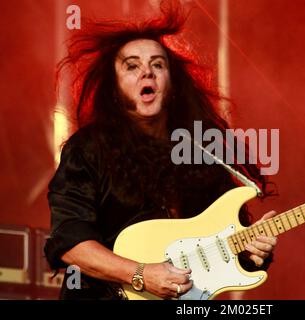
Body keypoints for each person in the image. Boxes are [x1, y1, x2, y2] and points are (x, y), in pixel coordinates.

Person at [44, 3, 277, 300]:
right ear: (113, 88)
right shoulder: (88, 149)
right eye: (132, 66)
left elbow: (220, 249)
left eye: (158, 64)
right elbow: (70, 241)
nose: (147, 73)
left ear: (172, 83)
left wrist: (250, 253)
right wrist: (141, 274)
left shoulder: (201, 149)